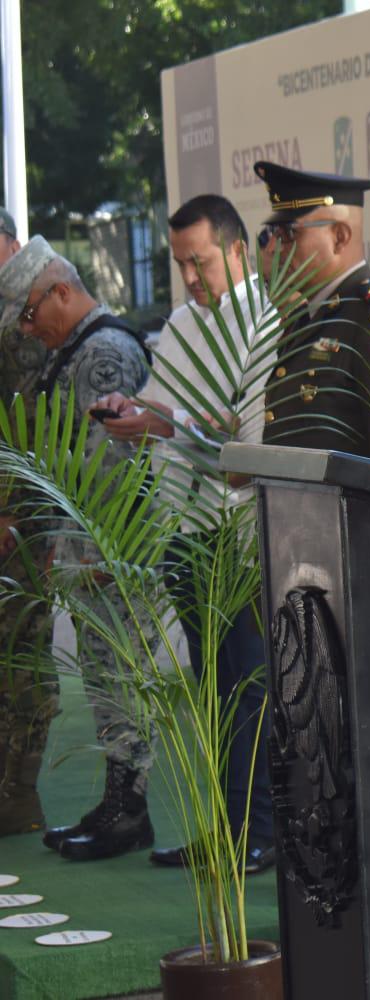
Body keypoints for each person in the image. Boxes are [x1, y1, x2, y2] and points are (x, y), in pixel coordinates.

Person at [95, 194, 278, 872]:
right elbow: (167, 405)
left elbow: (247, 447)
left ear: (236, 249)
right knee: (209, 692)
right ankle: (224, 830)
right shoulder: (180, 321)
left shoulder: (266, 319)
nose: (191, 280)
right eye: (180, 265)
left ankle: (261, 833)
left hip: (241, 533)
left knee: (250, 689)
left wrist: (166, 424)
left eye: (199, 262)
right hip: (188, 530)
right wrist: (132, 408)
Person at [0, 238, 157, 861]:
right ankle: (119, 804)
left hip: (113, 551)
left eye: (32, 314)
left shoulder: (102, 354)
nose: (29, 328)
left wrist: (85, 553)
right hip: (93, 551)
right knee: (103, 676)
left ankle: (131, 807)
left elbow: (108, 470)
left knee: (121, 675)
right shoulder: (74, 351)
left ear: (61, 291)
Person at [252, 161, 370, 464]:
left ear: (340, 236)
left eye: (290, 234)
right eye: (277, 234)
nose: (279, 248)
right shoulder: (304, 320)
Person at [0, 208, 61, 838]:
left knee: (21, 658)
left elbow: (27, 429)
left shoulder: (18, 315)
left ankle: (17, 793)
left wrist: (12, 512)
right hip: (17, 510)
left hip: (20, 518)